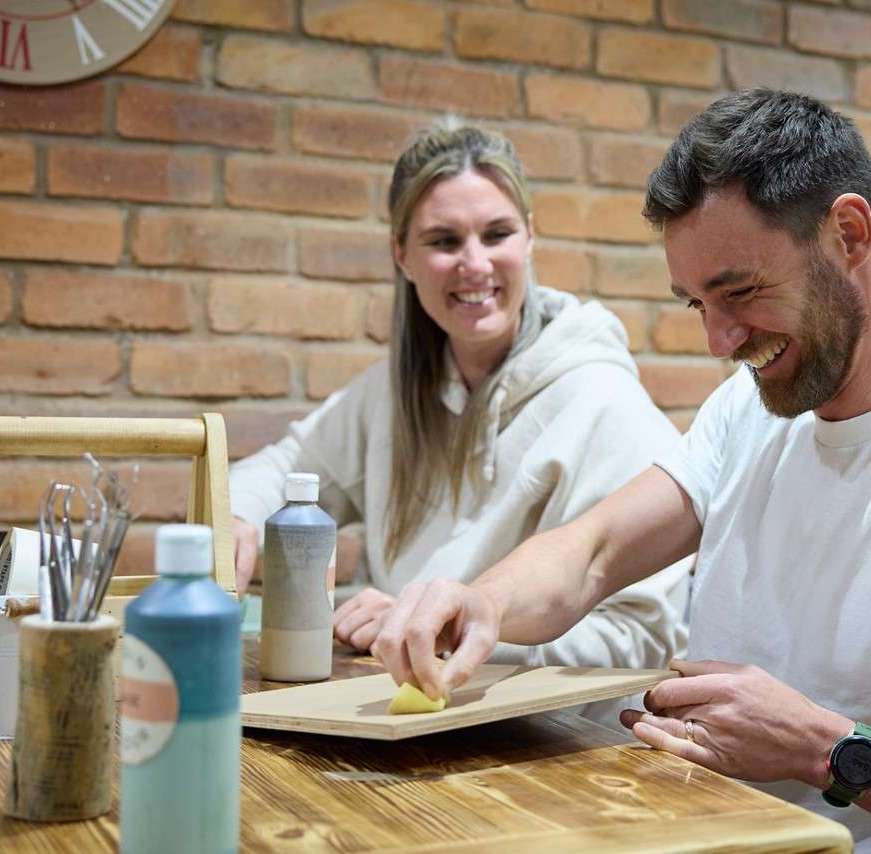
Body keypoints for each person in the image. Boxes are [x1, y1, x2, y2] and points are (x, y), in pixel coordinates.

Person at [369, 91, 871, 852]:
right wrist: (482, 601)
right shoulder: (750, 411)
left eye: (741, 292)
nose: (719, 340)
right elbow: (594, 553)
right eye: (695, 305)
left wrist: (825, 748)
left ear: (849, 235)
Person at [227, 121, 690, 723]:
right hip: (405, 732)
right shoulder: (390, 395)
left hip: (554, 754)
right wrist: (233, 517)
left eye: (497, 233)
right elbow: (285, 470)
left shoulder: (605, 402)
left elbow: (640, 640)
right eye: (444, 241)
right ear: (402, 255)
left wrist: (451, 636)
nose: (475, 263)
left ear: (529, 239)